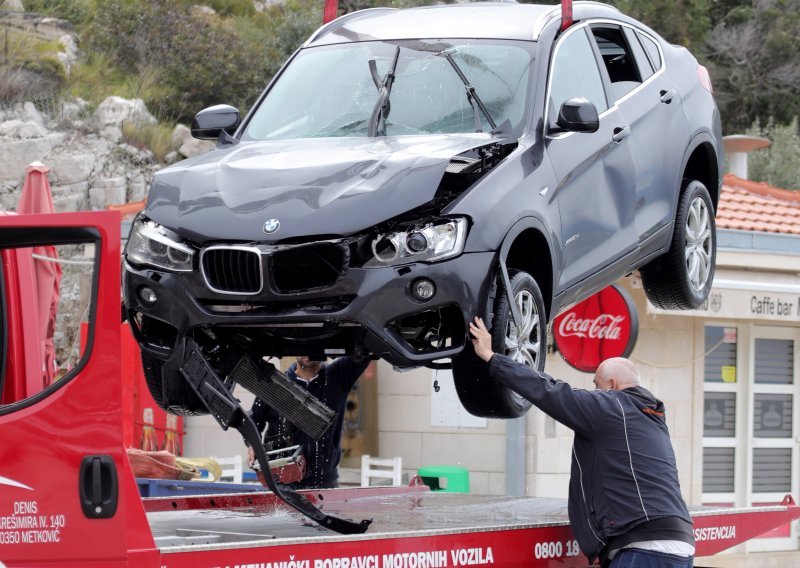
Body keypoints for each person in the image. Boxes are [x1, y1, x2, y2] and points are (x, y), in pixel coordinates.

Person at [469, 317, 695, 568]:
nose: (594, 392)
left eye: (596, 385)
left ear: (612, 385)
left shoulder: (611, 406)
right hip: (679, 544)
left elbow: (549, 390)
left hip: (644, 548)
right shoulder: (651, 416)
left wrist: (491, 356)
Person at [247, 355, 370, 489]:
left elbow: (364, 351)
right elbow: (253, 420)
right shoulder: (275, 384)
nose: (306, 352)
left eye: (311, 346)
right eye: (301, 346)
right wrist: (252, 444)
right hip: (283, 482)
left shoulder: (337, 376)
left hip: (325, 482)